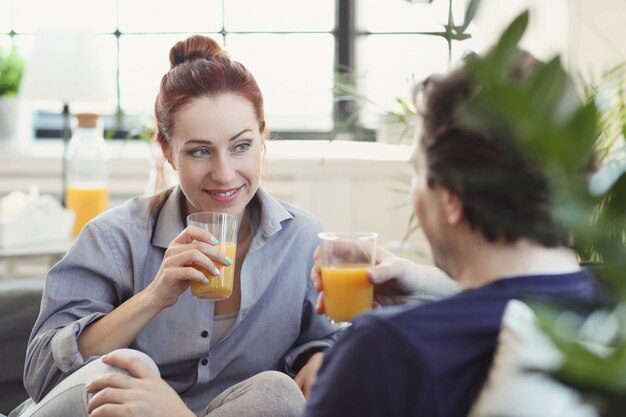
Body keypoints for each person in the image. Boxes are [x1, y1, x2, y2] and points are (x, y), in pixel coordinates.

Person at [10, 34, 340, 417]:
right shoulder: (114, 238)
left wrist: (319, 356)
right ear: (167, 150)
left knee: (277, 393)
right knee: (114, 374)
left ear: (262, 136)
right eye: (200, 151)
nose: (224, 173)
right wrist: (154, 296)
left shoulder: (301, 240)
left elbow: (328, 337)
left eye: (241, 146)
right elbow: (40, 375)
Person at [302, 52, 606, 417]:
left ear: (450, 196)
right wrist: (430, 289)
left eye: (417, 171)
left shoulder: (387, 353)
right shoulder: (610, 308)